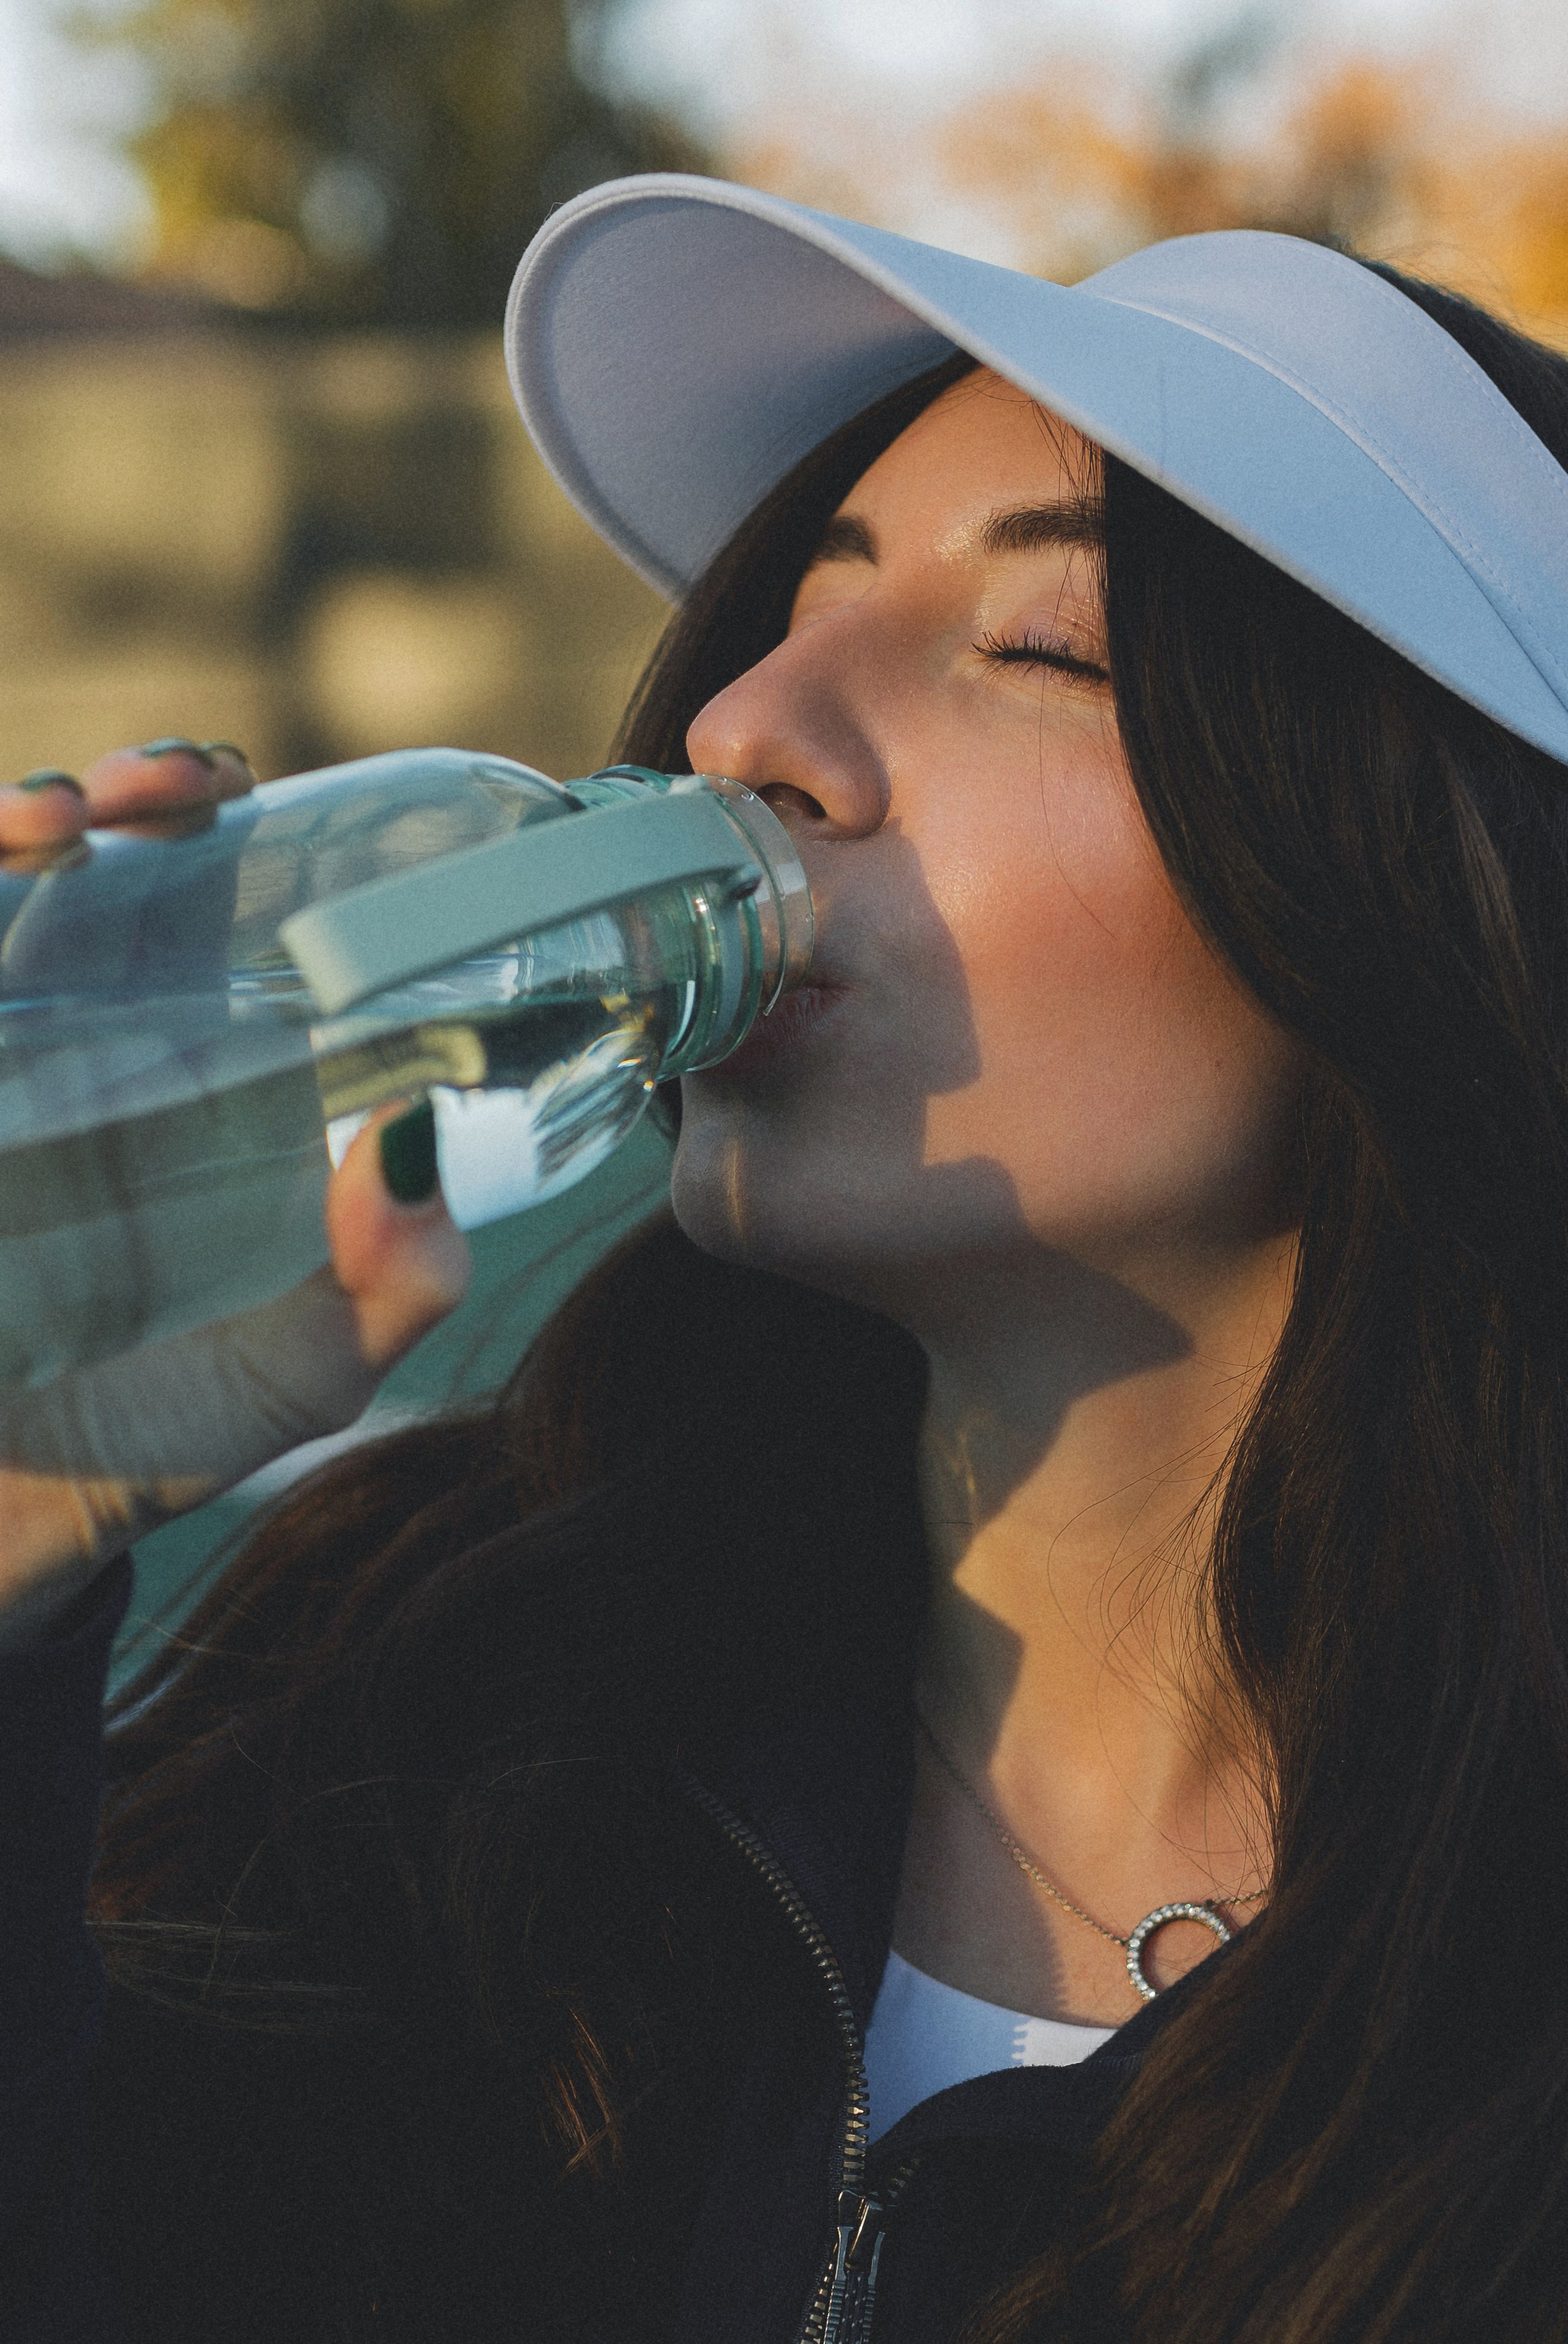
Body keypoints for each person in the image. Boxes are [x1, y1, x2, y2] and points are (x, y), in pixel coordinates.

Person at [3, 175, 1568, 2344]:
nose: (741, 729)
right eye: (796, 607)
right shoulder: (404, 1724)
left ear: (1405, 888)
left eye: (1037, 647)